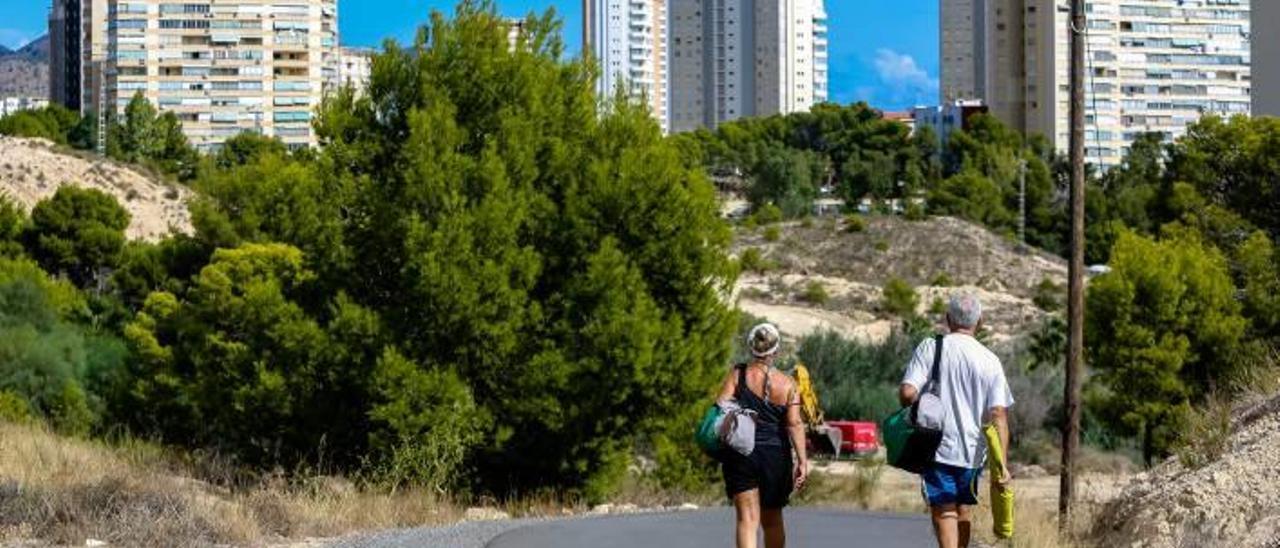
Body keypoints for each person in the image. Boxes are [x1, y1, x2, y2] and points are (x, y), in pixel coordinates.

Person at [898, 294, 1014, 548]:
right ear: (979, 322)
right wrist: (1002, 464)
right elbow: (999, 415)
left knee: (944, 510)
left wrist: (919, 404)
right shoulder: (991, 361)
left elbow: (907, 392)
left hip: (937, 447)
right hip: (973, 453)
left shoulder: (932, 347)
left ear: (948, 319)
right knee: (963, 510)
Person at [716, 323, 809, 548]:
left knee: (747, 520)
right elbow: (794, 423)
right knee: (773, 522)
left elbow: (720, 406)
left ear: (751, 348)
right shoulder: (788, 385)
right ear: (776, 351)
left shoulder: (737, 375)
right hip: (775, 458)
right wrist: (802, 461)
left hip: (741, 454)